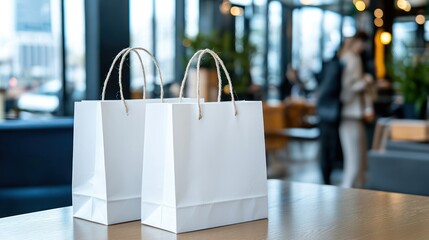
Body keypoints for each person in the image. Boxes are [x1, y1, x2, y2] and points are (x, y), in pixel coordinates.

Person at [338, 31, 375, 188]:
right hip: (348, 115)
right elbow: (346, 90)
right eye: (362, 43)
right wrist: (365, 81)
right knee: (354, 165)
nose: (363, 47)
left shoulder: (354, 58)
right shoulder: (348, 59)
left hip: (355, 115)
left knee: (360, 165)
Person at [317, 53, 344, 185]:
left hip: (327, 112)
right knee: (328, 148)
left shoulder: (331, 66)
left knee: (327, 148)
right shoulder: (335, 66)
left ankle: (327, 177)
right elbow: (328, 90)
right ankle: (326, 178)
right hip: (329, 113)